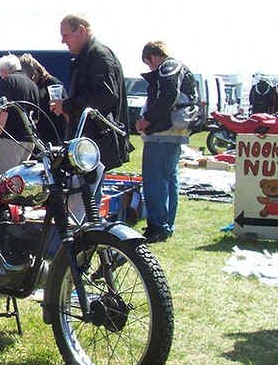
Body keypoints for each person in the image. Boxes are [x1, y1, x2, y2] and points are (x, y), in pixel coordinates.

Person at [50, 14, 131, 204]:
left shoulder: (99, 56)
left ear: (81, 31)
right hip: (88, 138)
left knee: (88, 193)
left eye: (66, 35)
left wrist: (68, 105)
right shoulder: (89, 56)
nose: (63, 41)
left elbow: (105, 96)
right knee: (82, 191)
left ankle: (89, 231)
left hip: (96, 139)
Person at [135, 41, 195, 243]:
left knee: (155, 179)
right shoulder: (179, 68)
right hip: (174, 133)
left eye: (148, 63)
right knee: (169, 179)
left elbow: (168, 94)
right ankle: (166, 224)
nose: (150, 68)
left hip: (162, 132)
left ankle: (157, 227)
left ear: (151, 57)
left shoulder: (167, 68)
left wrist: (147, 119)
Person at [0, 54, 40, 174]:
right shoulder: (32, 85)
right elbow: (35, 118)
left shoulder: (9, 80)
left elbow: (4, 109)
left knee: (3, 178)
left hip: (10, 138)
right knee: (19, 180)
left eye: (0, 72)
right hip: (28, 140)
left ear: (4, 70)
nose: (0, 76)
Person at [19, 52, 66, 144]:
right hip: (39, 133)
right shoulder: (32, 86)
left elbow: (65, 108)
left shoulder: (52, 83)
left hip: (55, 131)